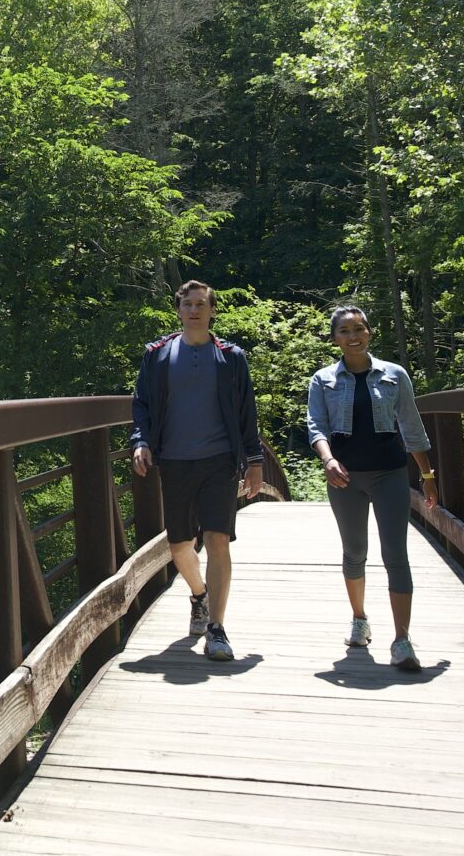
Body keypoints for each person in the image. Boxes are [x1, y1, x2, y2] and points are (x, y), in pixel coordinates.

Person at [130, 279, 264, 662]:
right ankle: (199, 595)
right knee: (179, 545)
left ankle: (217, 629)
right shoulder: (157, 354)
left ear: (212, 310)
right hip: (173, 459)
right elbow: (141, 404)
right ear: (178, 310)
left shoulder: (231, 356)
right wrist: (141, 441)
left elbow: (246, 414)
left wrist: (253, 463)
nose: (194, 311)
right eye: (187, 304)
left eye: (201, 304)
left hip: (219, 460)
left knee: (218, 539)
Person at [306, 304, 439, 672]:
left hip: (389, 474)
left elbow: (412, 428)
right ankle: (360, 618)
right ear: (335, 339)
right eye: (345, 331)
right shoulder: (323, 380)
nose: (353, 336)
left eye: (359, 328)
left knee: (396, 554)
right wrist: (328, 459)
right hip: (344, 477)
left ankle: (402, 639)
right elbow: (316, 425)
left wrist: (427, 477)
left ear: (370, 332)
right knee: (354, 552)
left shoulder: (394, 375)